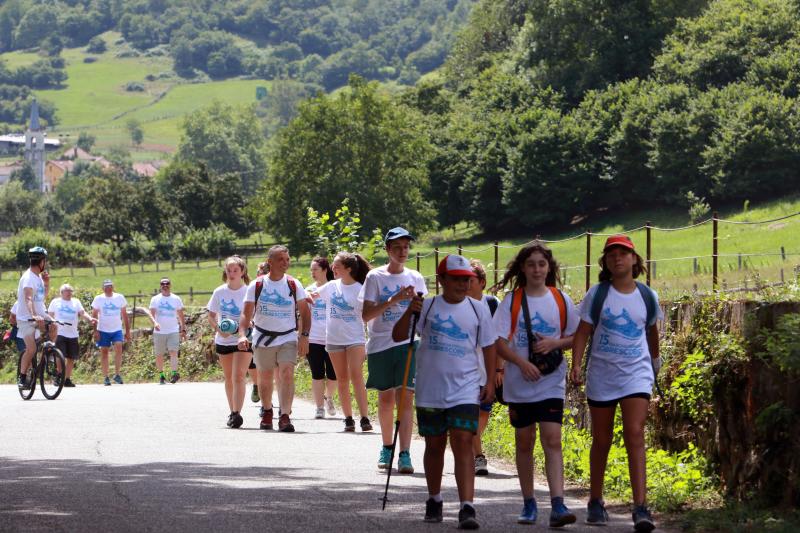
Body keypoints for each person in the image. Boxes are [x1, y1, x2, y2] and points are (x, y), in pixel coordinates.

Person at [393, 254, 497, 529]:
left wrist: (489, 381)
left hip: (465, 387)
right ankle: (434, 498)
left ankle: (467, 507)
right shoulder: (426, 307)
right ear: (441, 280)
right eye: (456, 279)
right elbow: (398, 335)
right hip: (430, 388)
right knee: (435, 444)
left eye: (466, 280)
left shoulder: (478, 309)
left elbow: (489, 345)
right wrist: (409, 310)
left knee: (463, 441)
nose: (462, 285)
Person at [570, 235, 662, 533]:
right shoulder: (597, 295)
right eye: (611, 255)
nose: (617, 258)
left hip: (637, 372)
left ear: (635, 260)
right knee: (602, 438)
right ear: (605, 262)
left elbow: (651, 333)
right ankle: (596, 500)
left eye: (623, 253)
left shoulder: (647, 296)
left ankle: (641, 507)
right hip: (603, 375)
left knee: (635, 433)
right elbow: (583, 332)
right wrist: (575, 365)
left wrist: (655, 363)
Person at [493, 242, 579, 527]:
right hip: (520, 382)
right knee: (524, 440)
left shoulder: (560, 299)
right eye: (531, 264)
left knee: (552, 438)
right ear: (522, 268)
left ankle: (557, 504)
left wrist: (556, 342)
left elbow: (577, 336)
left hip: (551, 380)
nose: (537, 269)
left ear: (548, 267)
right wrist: (521, 363)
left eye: (542, 264)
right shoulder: (512, 301)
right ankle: (529, 502)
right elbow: (498, 342)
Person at [359, 227, 427, 473]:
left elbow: (423, 315)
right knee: (386, 399)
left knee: (406, 399)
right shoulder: (375, 277)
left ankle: (405, 453)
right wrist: (395, 300)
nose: (402, 252)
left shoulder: (416, 277)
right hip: (380, 344)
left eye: (406, 247)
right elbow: (366, 315)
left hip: (408, 344)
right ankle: (387, 446)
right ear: (388, 250)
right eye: (397, 247)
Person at [239, 245, 310, 433]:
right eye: (281, 259)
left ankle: (285, 415)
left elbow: (304, 311)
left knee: (287, 372)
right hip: (263, 337)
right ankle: (268, 410)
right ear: (270, 262)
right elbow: (246, 314)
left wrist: (304, 336)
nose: (285, 263)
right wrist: (241, 334)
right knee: (266, 376)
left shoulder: (293, 284)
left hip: (288, 336)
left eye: (287, 259)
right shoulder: (257, 285)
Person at [314, 252, 372, 432]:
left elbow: (369, 315)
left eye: (337, 266)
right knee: (342, 379)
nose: (333, 268)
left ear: (348, 269)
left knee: (356, 376)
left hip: (355, 338)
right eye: (333, 265)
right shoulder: (331, 286)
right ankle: (348, 418)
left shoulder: (360, 289)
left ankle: (364, 417)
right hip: (333, 339)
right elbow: (312, 295)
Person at [208, 256, 252, 428]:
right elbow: (211, 316)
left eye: (235, 270)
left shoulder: (248, 291)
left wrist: (244, 328)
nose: (232, 273)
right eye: (229, 270)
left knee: (239, 376)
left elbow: (252, 315)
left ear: (242, 272)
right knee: (229, 378)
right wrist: (220, 330)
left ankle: (237, 414)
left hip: (243, 339)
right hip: (224, 339)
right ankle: (232, 410)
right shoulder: (219, 292)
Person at [467, 259, 501, 477]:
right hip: (465, 369)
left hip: (487, 368)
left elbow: (500, 339)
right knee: (470, 413)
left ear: (482, 282)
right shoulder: (458, 304)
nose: (466, 285)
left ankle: (465, 441)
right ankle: (478, 455)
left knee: (483, 414)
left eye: (470, 280)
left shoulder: (493, 304)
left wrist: (500, 369)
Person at [306, 256, 337, 419]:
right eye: (311, 270)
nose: (312, 272)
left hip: (333, 338)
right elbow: (304, 315)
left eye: (315, 269)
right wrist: (302, 336)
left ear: (325, 270)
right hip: (314, 338)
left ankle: (329, 397)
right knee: (317, 374)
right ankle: (319, 407)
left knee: (334, 375)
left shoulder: (334, 288)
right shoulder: (308, 290)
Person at [16, 246, 51, 389]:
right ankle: (22, 377)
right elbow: (28, 298)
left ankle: (50, 352)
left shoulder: (38, 278)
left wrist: (47, 283)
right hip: (26, 318)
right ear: (41, 261)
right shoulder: (28, 278)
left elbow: (41, 298)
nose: (46, 263)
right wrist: (33, 315)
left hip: (40, 316)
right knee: (31, 349)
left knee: (55, 325)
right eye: (45, 261)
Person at [48, 284, 96, 387]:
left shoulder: (76, 302)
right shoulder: (55, 302)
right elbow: (50, 315)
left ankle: (67, 379)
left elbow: (82, 313)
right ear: (62, 292)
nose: (69, 292)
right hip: (60, 332)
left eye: (71, 290)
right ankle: (59, 376)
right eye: (67, 291)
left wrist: (90, 319)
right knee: (59, 355)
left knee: (71, 357)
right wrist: (51, 325)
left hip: (73, 333)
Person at [91, 280, 130, 386]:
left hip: (117, 328)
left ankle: (117, 374)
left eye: (110, 286)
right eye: (106, 287)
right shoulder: (98, 299)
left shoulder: (119, 297)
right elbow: (94, 315)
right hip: (103, 329)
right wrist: (95, 331)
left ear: (113, 287)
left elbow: (125, 315)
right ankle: (106, 377)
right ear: (103, 288)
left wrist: (127, 331)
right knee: (104, 352)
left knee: (118, 347)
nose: (108, 288)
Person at [147, 278, 186, 385]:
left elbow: (181, 315)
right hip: (159, 331)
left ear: (170, 285)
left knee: (173, 352)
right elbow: (151, 313)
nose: (165, 285)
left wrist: (183, 328)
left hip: (173, 330)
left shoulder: (176, 299)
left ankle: (174, 373)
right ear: (160, 286)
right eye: (162, 284)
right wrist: (155, 323)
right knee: (159, 354)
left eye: (167, 283)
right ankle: (161, 376)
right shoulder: (155, 299)